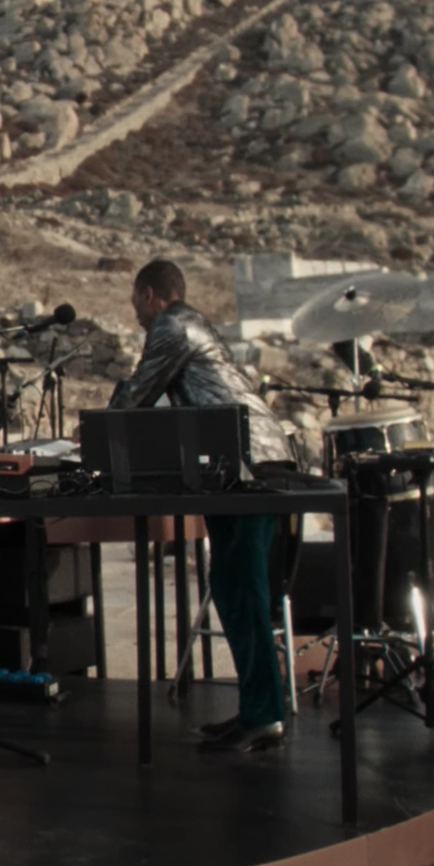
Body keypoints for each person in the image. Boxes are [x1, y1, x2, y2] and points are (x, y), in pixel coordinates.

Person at [109, 259, 298, 753]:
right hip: (232, 464)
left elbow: (137, 398)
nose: (135, 314)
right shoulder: (191, 322)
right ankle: (257, 710)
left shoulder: (172, 326)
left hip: (249, 464)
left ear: (150, 294)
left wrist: (99, 429)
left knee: (243, 585)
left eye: (135, 301)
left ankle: (265, 715)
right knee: (232, 585)